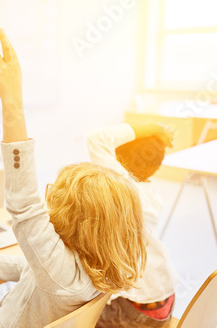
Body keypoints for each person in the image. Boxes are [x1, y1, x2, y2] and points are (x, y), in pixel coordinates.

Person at [0, 28, 147, 328]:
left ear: (74, 221)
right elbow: (31, 266)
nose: (49, 204)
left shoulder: (59, 272)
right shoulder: (94, 265)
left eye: (57, 200)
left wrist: (12, 102)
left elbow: (24, 204)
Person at [88, 123, 178, 328]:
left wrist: (153, 127)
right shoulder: (150, 195)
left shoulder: (122, 188)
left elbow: (97, 137)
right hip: (164, 299)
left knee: (69, 317)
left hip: (134, 311)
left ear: (118, 160)